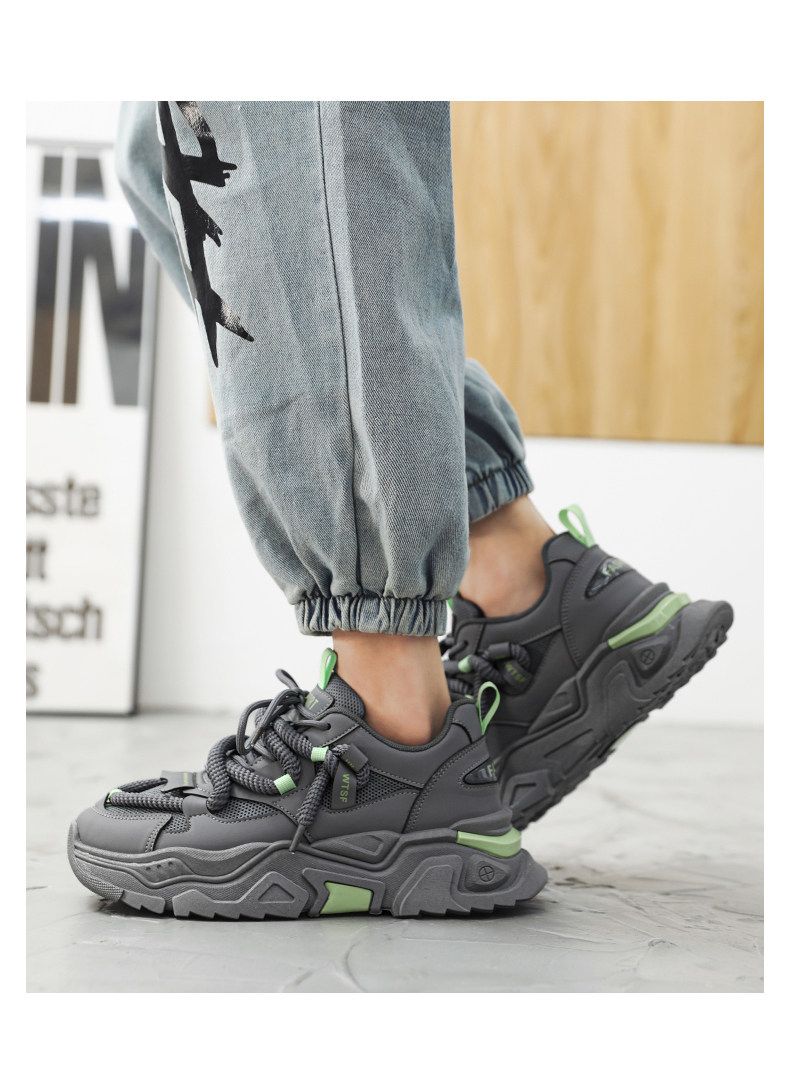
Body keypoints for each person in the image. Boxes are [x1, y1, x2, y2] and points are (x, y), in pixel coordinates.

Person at [67, 102, 733, 919]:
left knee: (279, 125)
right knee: (175, 153)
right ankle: (517, 578)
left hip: (379, 736)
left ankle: (387, 727)